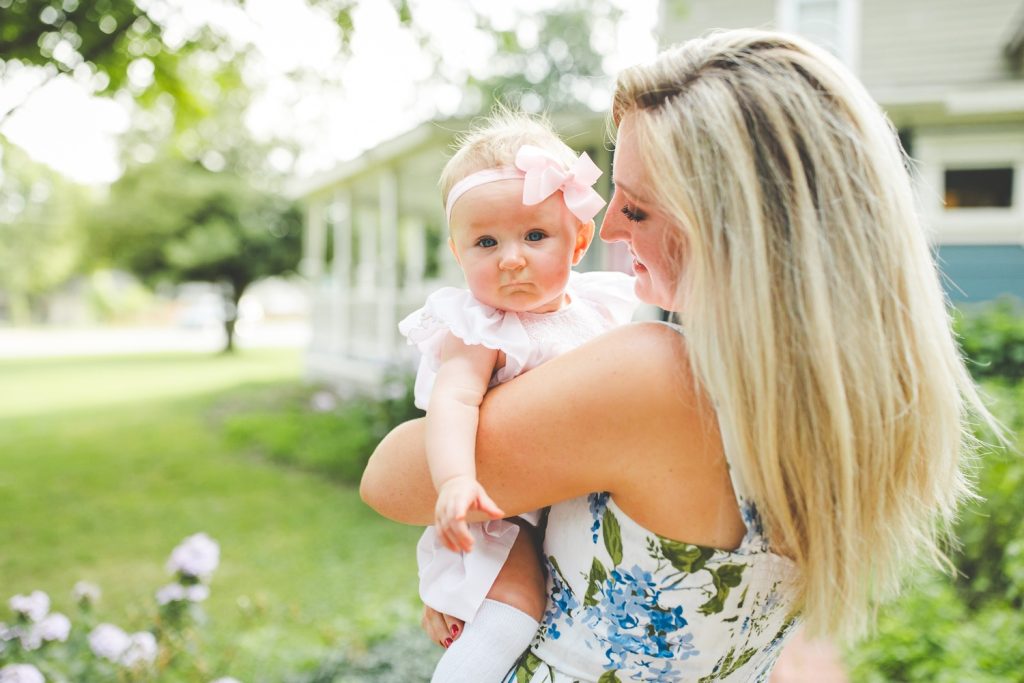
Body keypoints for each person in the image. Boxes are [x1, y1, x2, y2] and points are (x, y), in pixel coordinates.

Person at [362, 29, 993, 682]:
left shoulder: (656, 378)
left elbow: (387, 479)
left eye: (635, 206)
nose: (605, 229)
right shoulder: (845, 415)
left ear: (728, 223)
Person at [396, 110, 639, 683]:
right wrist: (457, 481)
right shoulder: (483, 328)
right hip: (506, 511)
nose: (511, 257)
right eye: (486, 241)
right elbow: (453, 401)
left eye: (535, 235)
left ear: (578, 240)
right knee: (511, 613)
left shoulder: (599, 311)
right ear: (459, 255)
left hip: (583, 502)